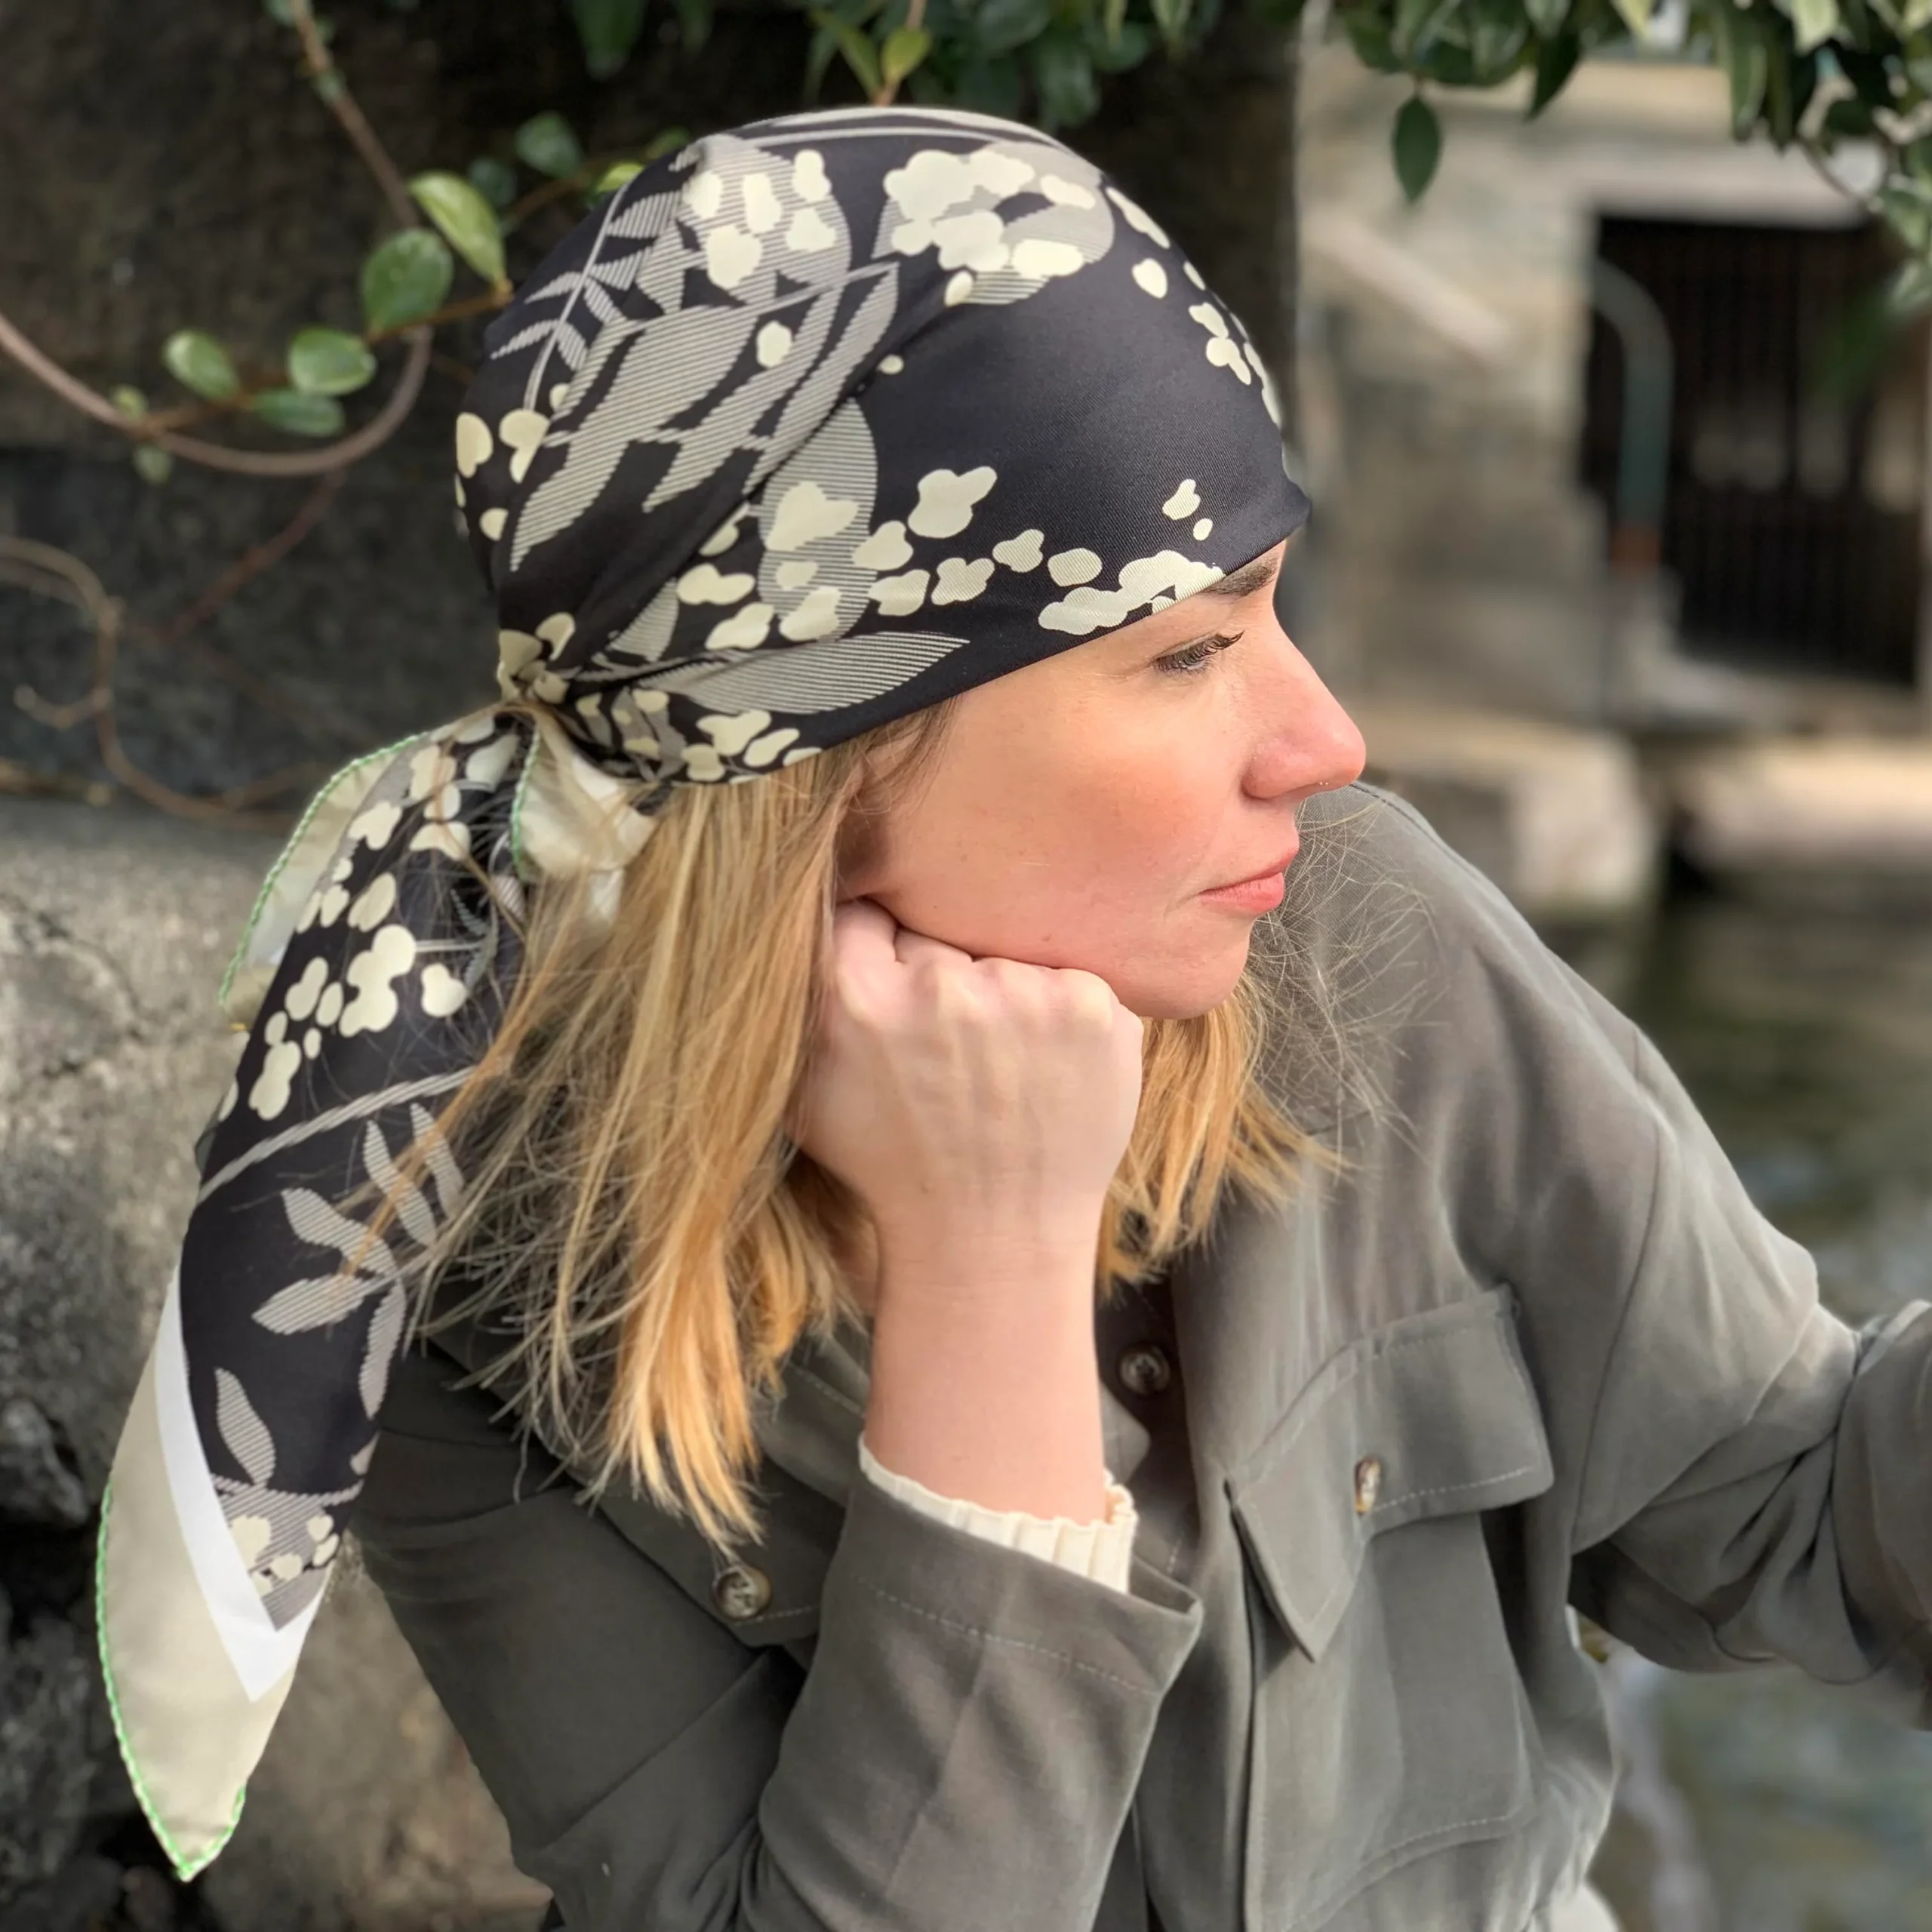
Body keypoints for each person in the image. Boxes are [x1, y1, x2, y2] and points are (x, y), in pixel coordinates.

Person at [94, 105, 1932, 1932]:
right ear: (825, 757)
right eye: (1185, 651)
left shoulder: (1361, 937)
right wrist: (993, 1262)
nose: (1322, 740)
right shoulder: (498, 1283)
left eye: (1268, 607)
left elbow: (1791, 1505)